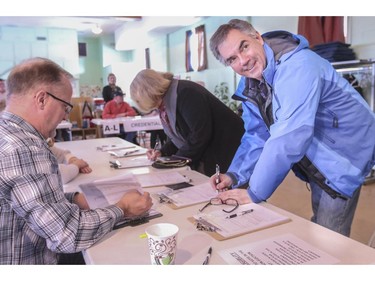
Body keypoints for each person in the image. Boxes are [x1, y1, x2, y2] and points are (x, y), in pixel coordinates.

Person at [208, 19, 375, 237]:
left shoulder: (299, 66)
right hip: (319, 155)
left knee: (329, 238)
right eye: (232, 59)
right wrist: (234, 174)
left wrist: (255, 193)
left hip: (345, 155)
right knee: (319, 227)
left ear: (257, 37)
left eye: (244, 46)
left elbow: (289, 137)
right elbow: (257, 135)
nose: (244, 60)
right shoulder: (251, 83)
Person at [0, 57, 152, 264]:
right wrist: (122, 208)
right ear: (42, 99)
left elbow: (25, 202)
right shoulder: (23, 148)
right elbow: (67, 234)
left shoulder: (8, 133)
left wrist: (73, 199)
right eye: (65, 107)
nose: (65, 117)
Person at [130, 68, 245, 177]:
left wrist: (174, 161)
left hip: (229, 151)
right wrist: (162, 152)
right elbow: (179, 136)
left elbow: (199, 134)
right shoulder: (166, 101)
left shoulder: (185, 92)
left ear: (149, 92)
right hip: (214, 154)